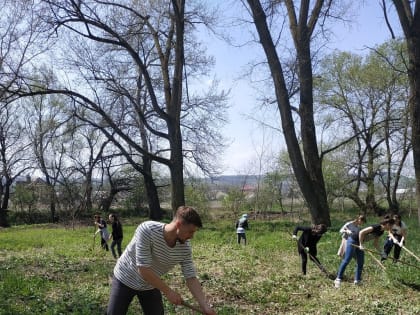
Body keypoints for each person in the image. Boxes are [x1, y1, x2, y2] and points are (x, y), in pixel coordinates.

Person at [106, 206, 216, 315]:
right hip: (125, 278)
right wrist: (169, 292)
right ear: (178, 225)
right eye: (190, 232)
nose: (192, 236)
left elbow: (191, 277)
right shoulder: (147, 230)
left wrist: (205, 306)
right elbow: (143, 269)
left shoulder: (185, 248)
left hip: (150, 283)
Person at [334, 217, 395, 288]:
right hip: (353, 240)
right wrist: (361, 244)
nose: (391, 228)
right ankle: (338, 279)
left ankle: (357, 281)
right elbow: (361, 232)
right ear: (387, 224)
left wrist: (382, 252)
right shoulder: (376, 227)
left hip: (360, 243)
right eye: (391, 226)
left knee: (360, 262)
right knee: (347, 260)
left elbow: (375, 244)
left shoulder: (381, 231)